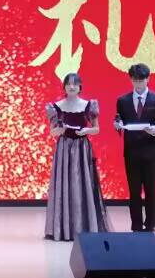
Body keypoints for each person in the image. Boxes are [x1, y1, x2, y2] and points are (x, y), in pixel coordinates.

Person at [43, 71, 108, 241]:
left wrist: (86, 131)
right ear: (64, 87)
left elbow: (96, 129)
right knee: (64, 184)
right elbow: (52, 132)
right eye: (68, 84)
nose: (71, 87)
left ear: (80, 87)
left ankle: (84, 227)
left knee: (82, 184)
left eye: (75, 84)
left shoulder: (88, 105)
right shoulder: (56, 107)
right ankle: (63, 229)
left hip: (81, 148)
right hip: (64, 149)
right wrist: (61, 130)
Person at [113, 63, 155, 232]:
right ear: (131, 80)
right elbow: (119, 119)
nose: (138, 84)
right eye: (135, 80)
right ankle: (136, 226)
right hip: (131, 151)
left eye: (141, 80)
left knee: (150, 190)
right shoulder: (122, 100)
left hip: (150, 151)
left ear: (148, 79)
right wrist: (117, 125)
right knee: (134, 191)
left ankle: (150, 225)